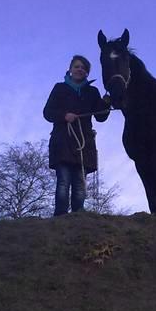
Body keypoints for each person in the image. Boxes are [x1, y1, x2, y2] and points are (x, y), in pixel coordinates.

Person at [43, 55, 110, 216]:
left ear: (87, 73)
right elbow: (47, 112)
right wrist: (64, 115)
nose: (80, 70)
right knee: (64, 180)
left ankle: (78, 215)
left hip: (83, 141)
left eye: (84, 68)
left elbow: (100, 116)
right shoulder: (59, 88)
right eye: (77, 67)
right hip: (63, 139)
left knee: (80, 182)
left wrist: (106, 103)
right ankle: (60, 215)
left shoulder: (92, 91)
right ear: (71, 69)